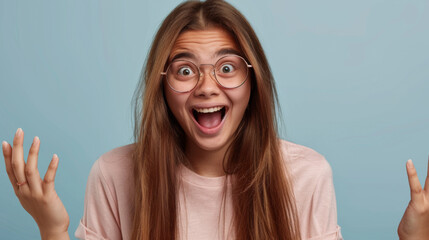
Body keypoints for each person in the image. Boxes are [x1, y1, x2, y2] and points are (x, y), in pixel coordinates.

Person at [2, 1, 428, 239]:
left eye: (227, 67)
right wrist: (52, 229)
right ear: (162, 87)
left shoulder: (306, 176)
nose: (206, 87)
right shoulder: (114, 174)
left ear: (253, 82)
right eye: (186, 70)